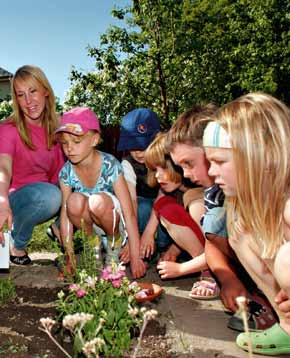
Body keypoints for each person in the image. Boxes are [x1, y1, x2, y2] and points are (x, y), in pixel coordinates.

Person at [204, 93, 290, 356]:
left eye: (219, 162)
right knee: (239, 230)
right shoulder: (267, 202)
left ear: (260, 155)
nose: (211, 172)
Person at [168, 105, 276, 331]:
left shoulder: (258, 182)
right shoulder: (213, 192)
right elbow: (211, 242)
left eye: (189, 163)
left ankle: (275, 303)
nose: (186, 175)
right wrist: (227, 278)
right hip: (258, 259)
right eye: (181, 167)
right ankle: (259, 292)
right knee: (213, 221)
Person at [55, 107, 146, 278]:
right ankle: (92, 249)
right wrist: (69, 257)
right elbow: (66, 215)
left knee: (97, 201)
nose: (69, 148)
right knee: (72, 202)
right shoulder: (66, 173)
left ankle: (114, 250)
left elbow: (129, 213)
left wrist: (135, 256)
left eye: (76, 142)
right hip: (92, 226)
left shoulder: (110, 165)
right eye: (65, 143)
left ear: (94, 139)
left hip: (114, 224)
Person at [0, 65, 64, 265]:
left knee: (83, 191)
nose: (28, 101)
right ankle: (16, 244)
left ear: (46, 91)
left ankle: (57, 229)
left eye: (33, 91)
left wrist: (66, 216)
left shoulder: (58, 129)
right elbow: (3, 167)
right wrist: (1, 202)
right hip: (20, 198)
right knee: (50, 196)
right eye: (21, 95)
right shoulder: (8, 130)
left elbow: (63, 174)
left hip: (49, 192)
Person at [142, 133, 209, 286]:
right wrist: (149, 234)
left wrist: (181, 268)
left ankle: (209, 272)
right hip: (207, 253)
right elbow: (159, 203)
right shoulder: (172, 188)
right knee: (166, 207)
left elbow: (216, 243)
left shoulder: (198, 196)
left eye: (164, 168)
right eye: (155, 170)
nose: (158, 176)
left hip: (218, 255)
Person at [117, 108, 171, 255]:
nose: (138, 152)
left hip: (165, 203)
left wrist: (150, 232)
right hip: (143, 207)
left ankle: (164, 248)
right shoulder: (128, 164)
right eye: (132, 146)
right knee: (142, 207)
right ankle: (140, 245)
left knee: (167, 208)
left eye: (143, 145)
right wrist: (131, 239)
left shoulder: (168, 159)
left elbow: (164, 195)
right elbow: (131, 201)